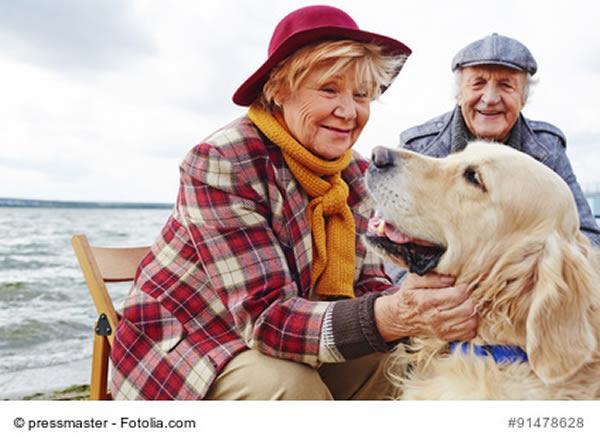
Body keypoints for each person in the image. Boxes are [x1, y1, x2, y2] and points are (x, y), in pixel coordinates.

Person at [110, 5, 478, 400]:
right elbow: (266, 318)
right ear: (279, 89)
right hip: (195, 341)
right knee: (290, 387)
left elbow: (368, 284)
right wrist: (395, 313)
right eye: (329, 89)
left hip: (288, 333)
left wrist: (424, 303)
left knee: (397, 358)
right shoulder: (222, 161)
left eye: (362, 95)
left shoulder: (356, 173)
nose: (349, 112)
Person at [386, 33, 600, 282]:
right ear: (458, 94)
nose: (489, 99)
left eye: (506, 85)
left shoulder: (547, 148)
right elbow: (392, 236)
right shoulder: (421, 147)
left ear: (524, 97)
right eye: (477, 84)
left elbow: (585, 237)